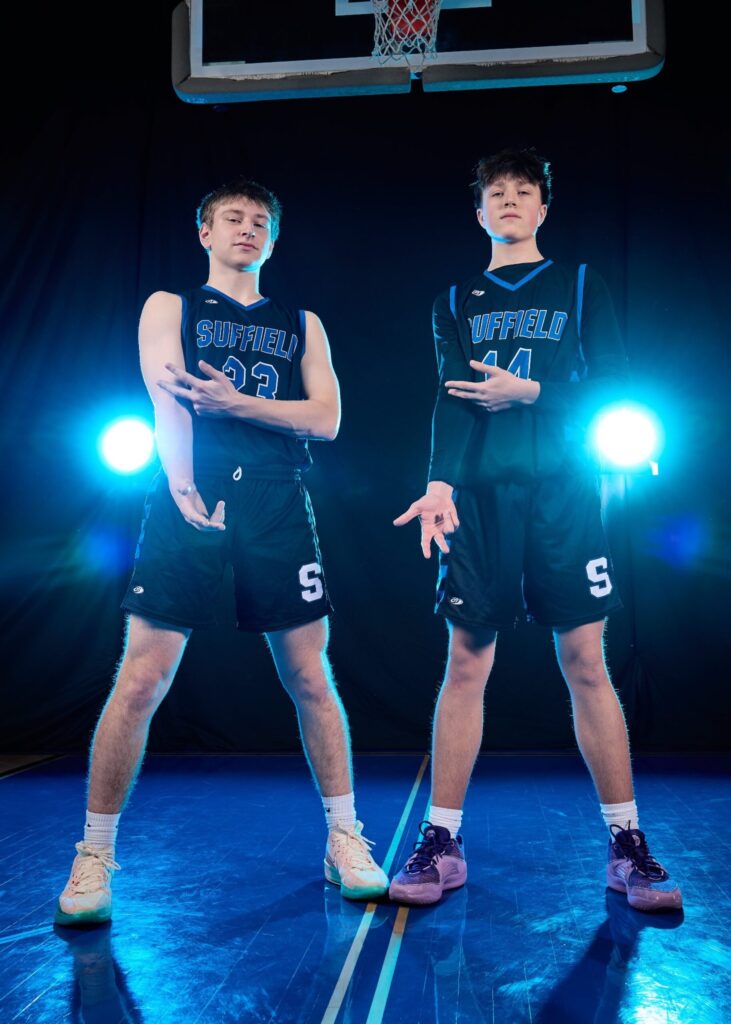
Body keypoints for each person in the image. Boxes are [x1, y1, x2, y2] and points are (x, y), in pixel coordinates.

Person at [55, 177, 388, 926]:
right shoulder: (170, 306)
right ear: (204, 232)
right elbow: (165, 395)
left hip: (276, 495)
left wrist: (241, 406)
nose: (247, 228)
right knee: (141, 677)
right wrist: (178, 481)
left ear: (273, 240)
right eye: (232, 218)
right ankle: (94, 854)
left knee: (310, 675)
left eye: (260, 220)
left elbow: (326, 418)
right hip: (194, 487)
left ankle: (344, 838)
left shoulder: (303, 322)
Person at [389, 148, 682, 913]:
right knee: (465, 662)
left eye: (524, 191)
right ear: (479, 212)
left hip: (562, 493)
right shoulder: (452, 299)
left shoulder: (580, 283)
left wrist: (534, 391)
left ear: (542, 209)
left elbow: (616, 388)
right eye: (496, 193)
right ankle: (441, 841)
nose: (510, 201)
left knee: (586, 660)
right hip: (481, 500)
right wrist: (437, 483)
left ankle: (626, 845)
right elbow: (450, 399)